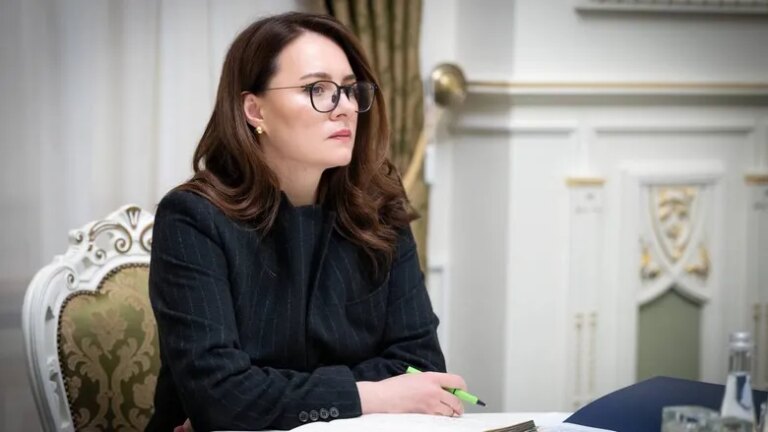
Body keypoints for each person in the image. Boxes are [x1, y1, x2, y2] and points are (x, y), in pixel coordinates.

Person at [147, 11, 467, 432]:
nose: (346, 108)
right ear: (254, 110)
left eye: (350, 90)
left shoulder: (381, 210)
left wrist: (260, 397)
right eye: (318, 89)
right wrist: (374, 394)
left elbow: (420, 364)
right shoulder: (193, 219)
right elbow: (220, 395)